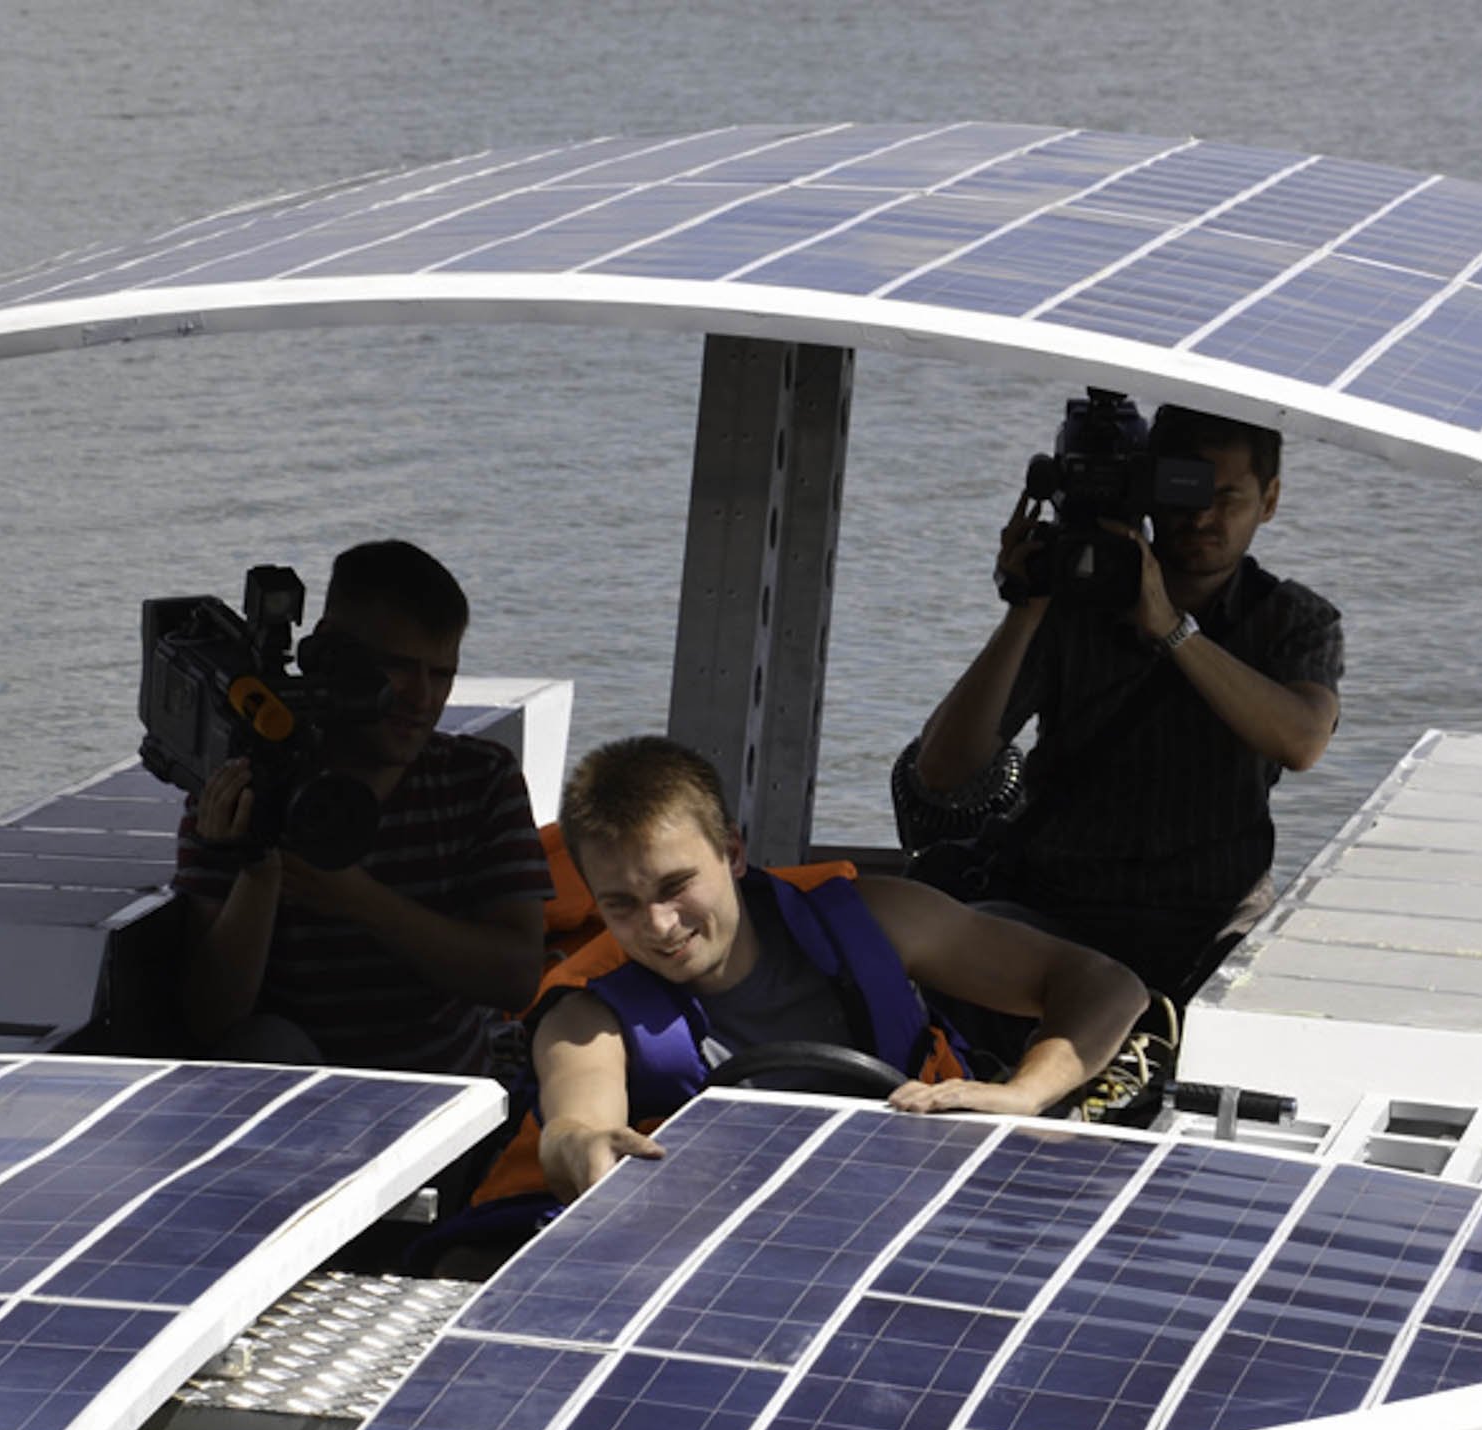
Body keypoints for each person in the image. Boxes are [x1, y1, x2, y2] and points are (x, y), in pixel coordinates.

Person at [497, 735, 1146, 1207]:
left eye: (676, 886)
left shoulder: (880, 918)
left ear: (732, 850)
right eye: (622, 904)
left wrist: (1024, 1094)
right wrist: (582, 1148)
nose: (661, 926)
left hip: (909, 1207)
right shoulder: (587, 1015)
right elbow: (575, 1124)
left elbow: (1107, 985)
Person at [897, 404, 1344, 1000]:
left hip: (1211, 915)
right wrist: (1024, 611)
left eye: (1229, 498)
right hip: (1057, 910)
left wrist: (1172, 630)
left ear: (1270, 499)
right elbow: (942, 769)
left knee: (1261, 996)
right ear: (1150, 490)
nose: (1203, 515)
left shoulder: (1294, 619)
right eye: (1185, 492)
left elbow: (1302, 740)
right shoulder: (1073, 608)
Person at [173, 539, 550, 1078]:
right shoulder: (242, 783)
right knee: (263, 1041)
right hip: (294, 1101)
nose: (422, 698)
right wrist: (259, 871)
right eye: (396, 669)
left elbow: (515, 977)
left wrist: (357, 900)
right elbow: (212, 1020)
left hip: (438, 1101)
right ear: (330, 652)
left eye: (441, 673)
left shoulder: (481, 778)